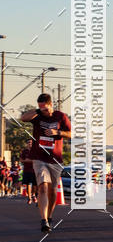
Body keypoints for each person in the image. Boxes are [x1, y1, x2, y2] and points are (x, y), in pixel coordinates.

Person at [20, 94, 72, 232]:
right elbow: (23, 118)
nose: (43, 110)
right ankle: (43, 221)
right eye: (40, 107)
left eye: (44, 107)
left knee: (52, 190)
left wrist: (58, 132)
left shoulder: (61, 116)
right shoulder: (37, 116)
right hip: (39, 158)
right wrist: (38, 111)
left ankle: (49, 217)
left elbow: (71, 133)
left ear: (50, 104)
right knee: (43, 187)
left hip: (55, 159)